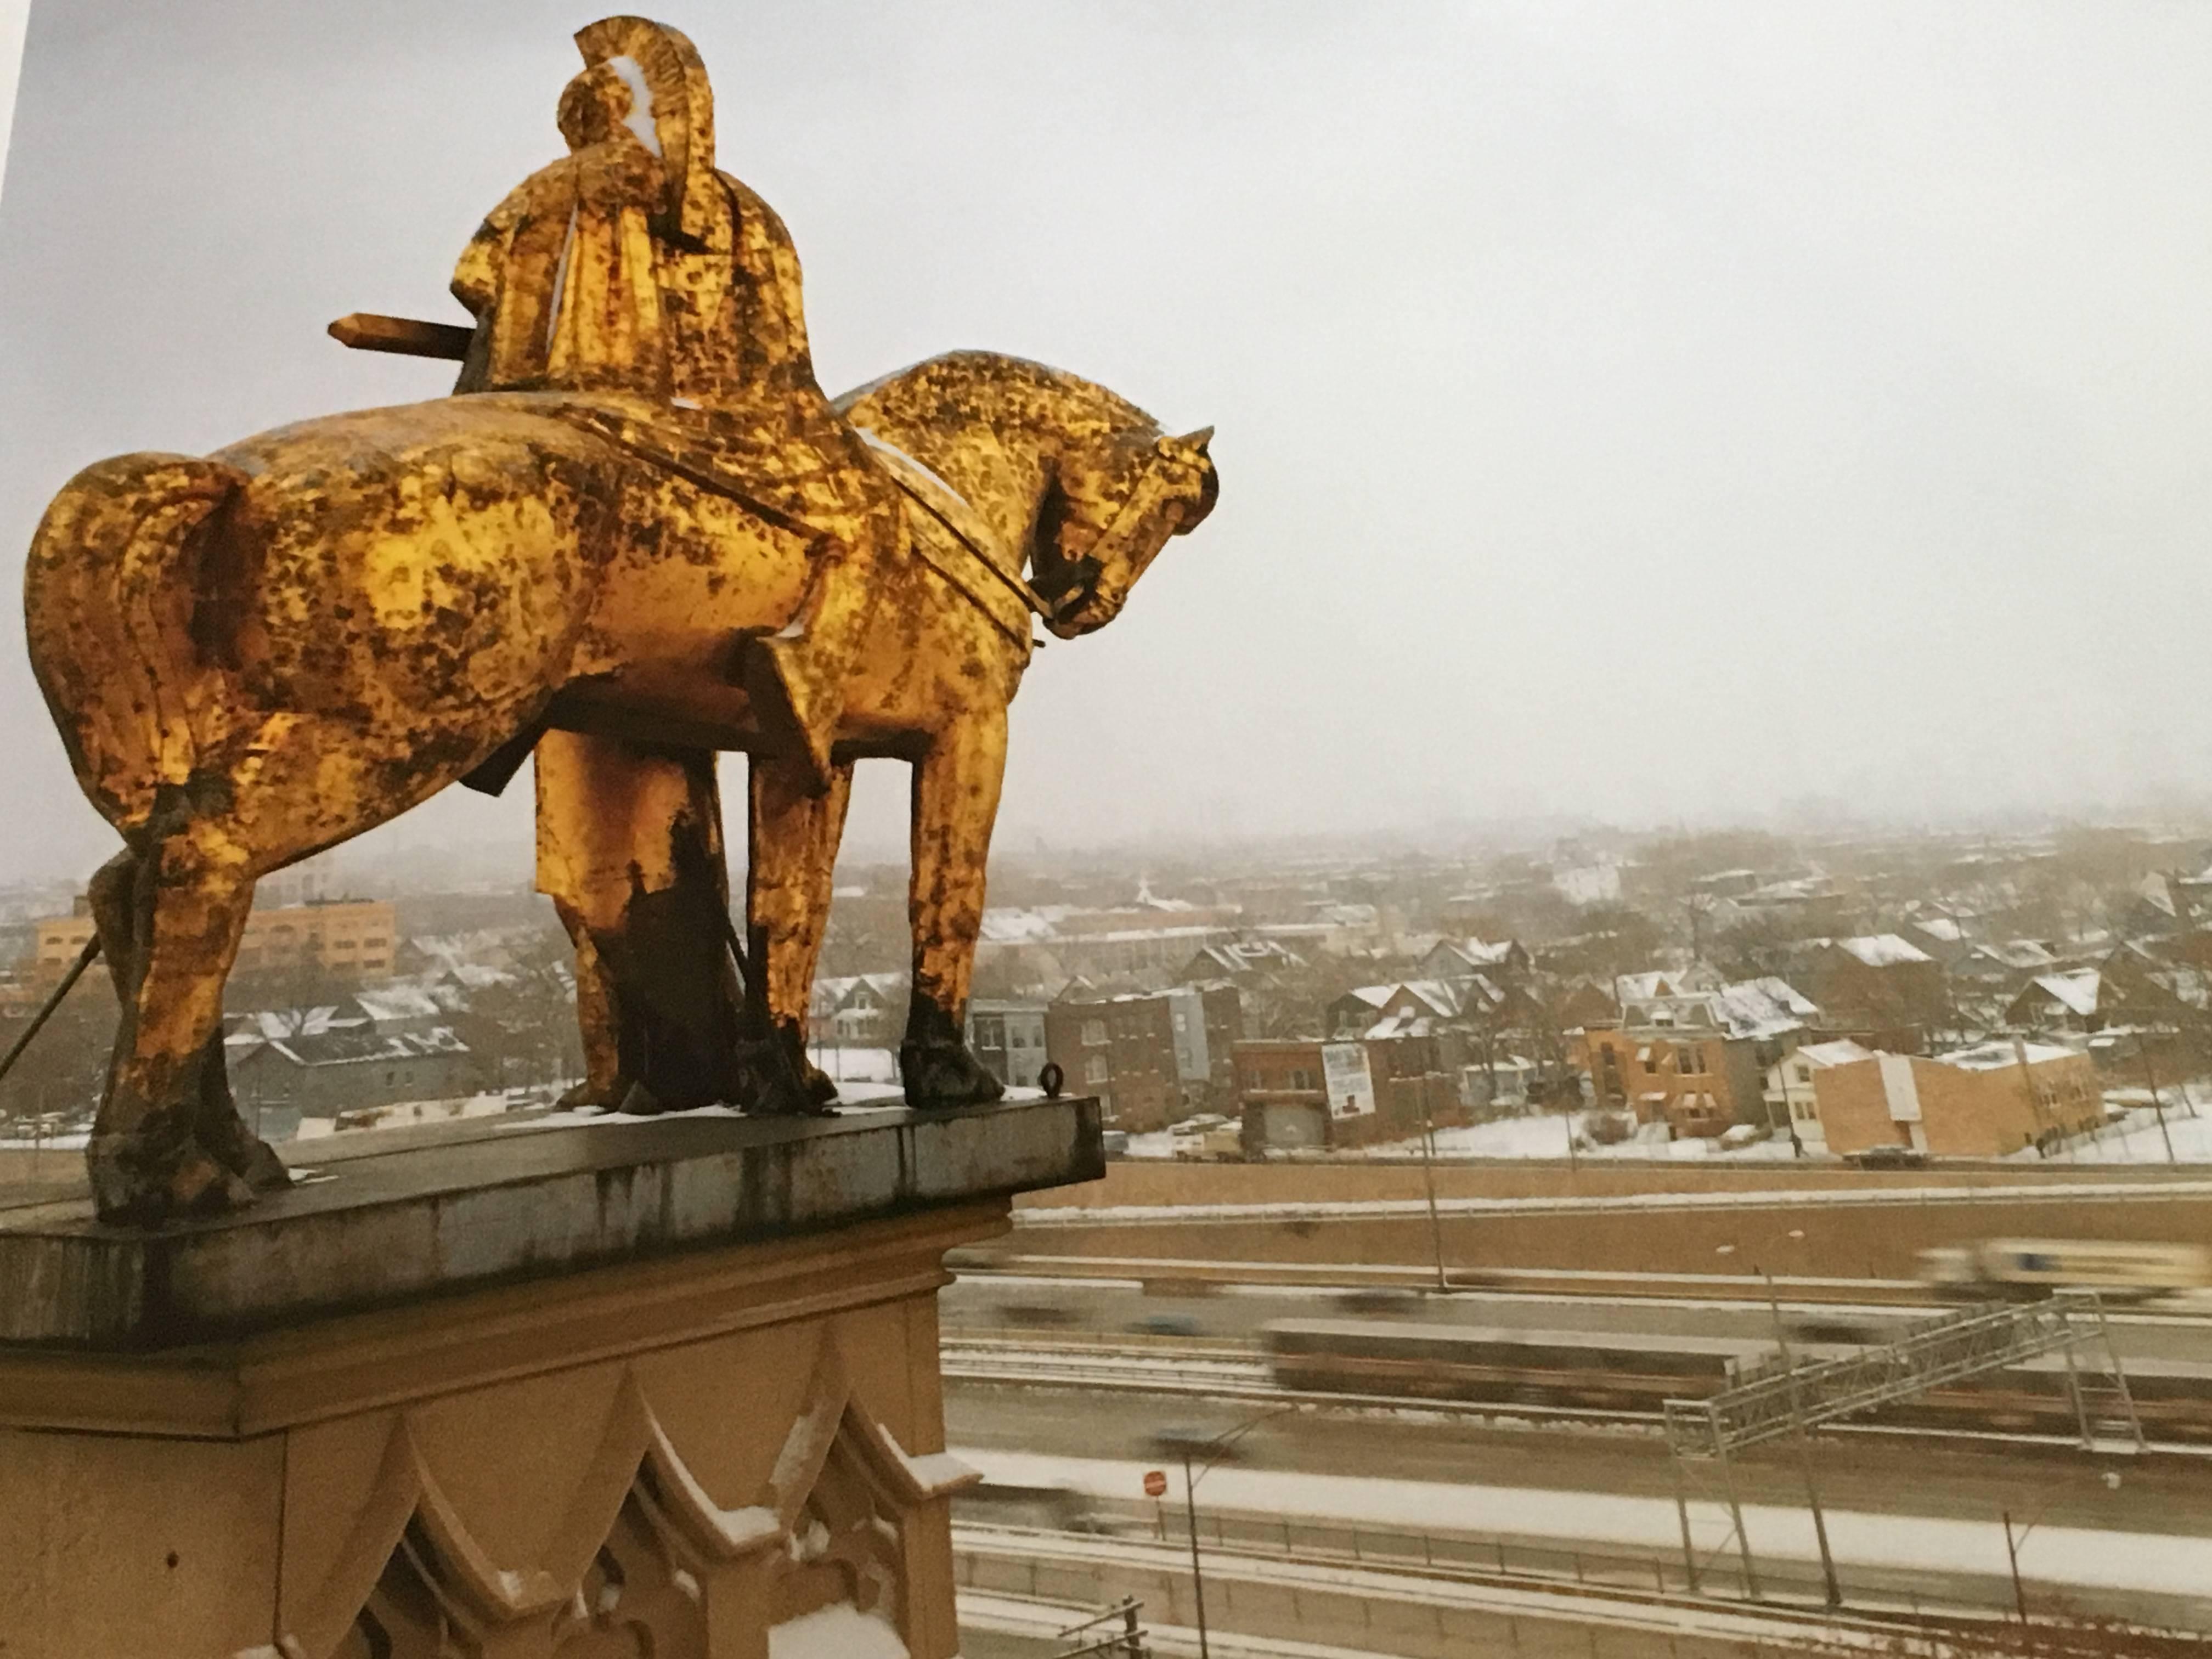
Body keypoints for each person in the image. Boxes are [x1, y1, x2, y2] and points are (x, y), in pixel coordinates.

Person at [448, 24, 898, 791]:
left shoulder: (538, 189)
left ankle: (496, 721)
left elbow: (476, 278)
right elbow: (781, 357)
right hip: (674, 413)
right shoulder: (726, 206)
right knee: (862, 521)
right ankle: (804, 663)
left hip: (523, 401)